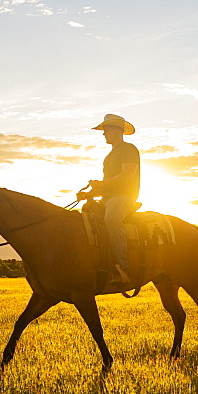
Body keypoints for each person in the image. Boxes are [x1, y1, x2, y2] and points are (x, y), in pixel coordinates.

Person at [78, 114, 140, 286]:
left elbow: (127, 177)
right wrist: (91, 193)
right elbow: (109, 186)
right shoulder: (109, 156)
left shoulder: (128, 149)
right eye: (103, 131)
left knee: (111, 219)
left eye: (106, 130)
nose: (104, 134)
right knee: (84, 218)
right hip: (109, 198)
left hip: (124, 197)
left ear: (117, 131)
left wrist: (101, 184)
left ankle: (123, 269)